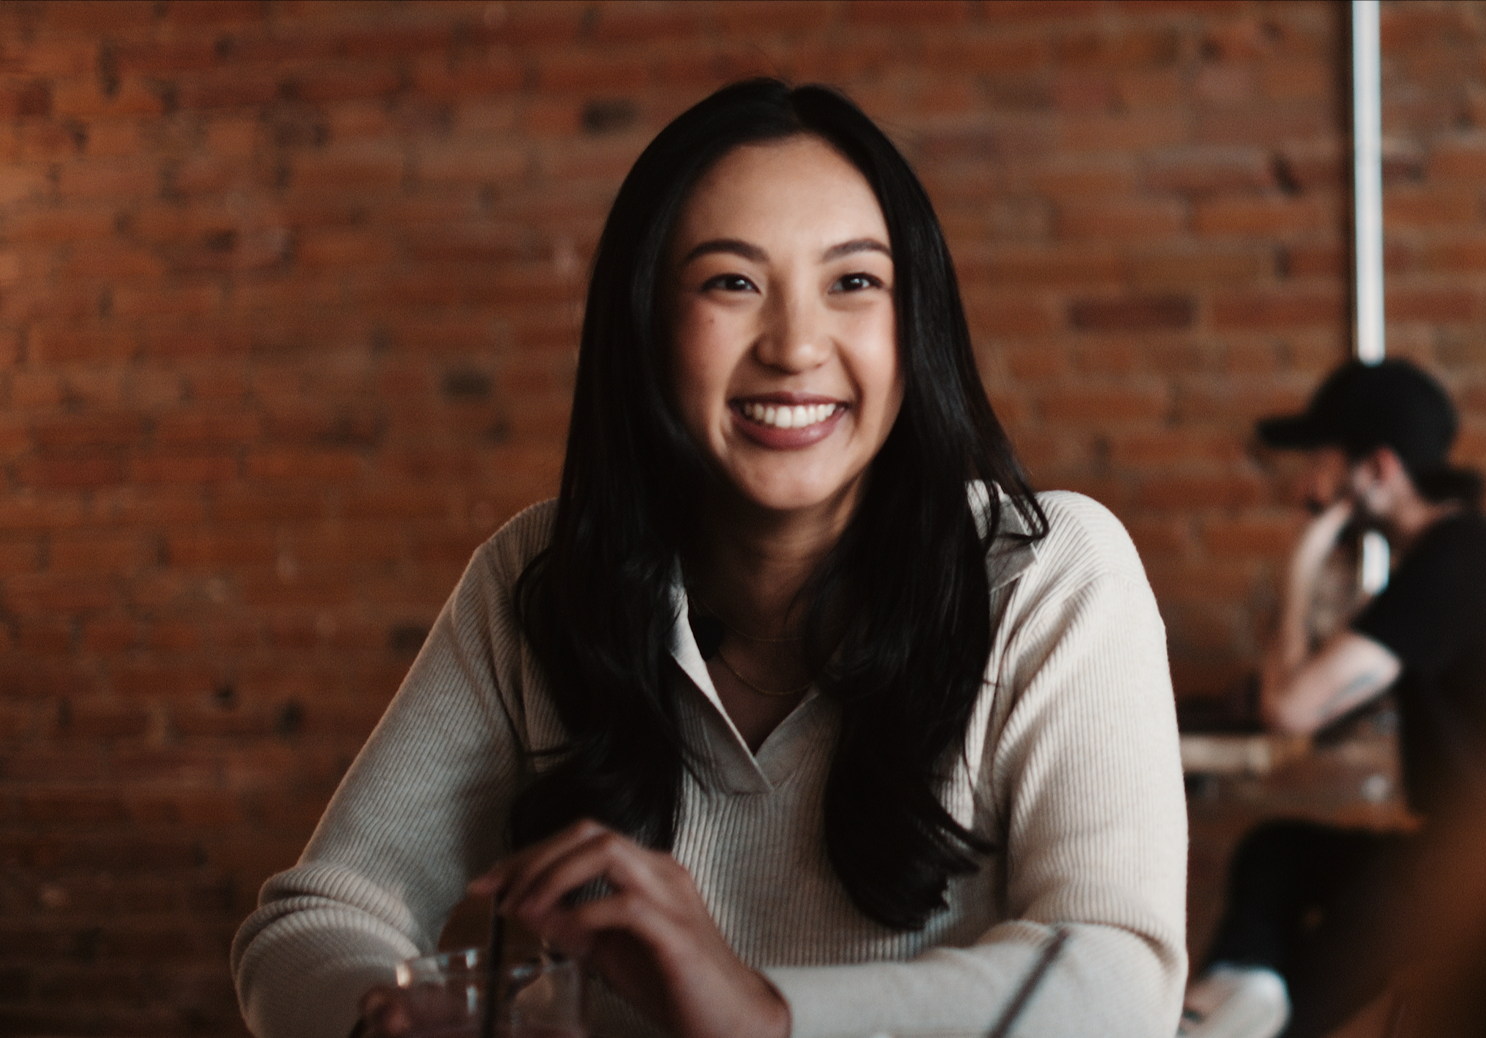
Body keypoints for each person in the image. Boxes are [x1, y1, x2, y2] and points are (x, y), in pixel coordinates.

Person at [230, 79, 1186, 1038]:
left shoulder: (1048, 573)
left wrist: (758, 1014)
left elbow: (1116, 980)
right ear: (645, 326)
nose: (797, 345)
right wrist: (379, 1019)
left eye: (854, 282)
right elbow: (315, 919)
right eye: (732, 282)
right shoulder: (544, 582)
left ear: (916, 325)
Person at [1180, 360, 1486, 1038]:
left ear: (1377, 470)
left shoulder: (1452, 563)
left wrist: (1303, 560)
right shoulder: (1447, 557)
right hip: (1474, 853)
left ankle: (1250, 1019)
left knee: (1301, 993)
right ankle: (1239, 1010)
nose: (1306, 487)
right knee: (1275, 853)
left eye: (1319, 463)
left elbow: (1291, 709)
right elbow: (1325, 695)